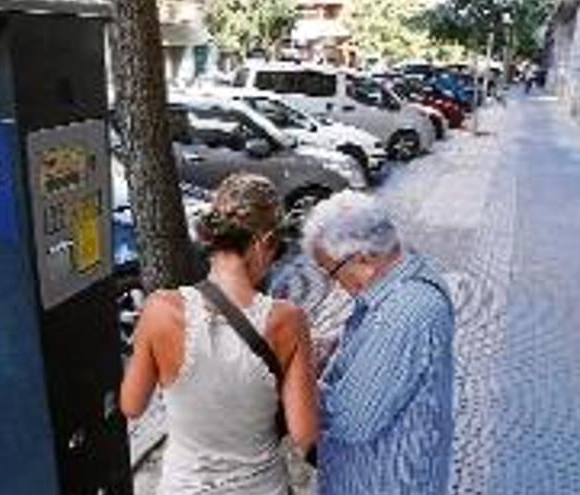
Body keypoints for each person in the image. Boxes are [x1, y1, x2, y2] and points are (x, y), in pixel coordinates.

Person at [120, 173, 319, 495]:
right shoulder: (288, 321)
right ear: (265, 242)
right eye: (278, 248)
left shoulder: (159, 309)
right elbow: (304, 433)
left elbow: (131, 405)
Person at [301, 191, 455, 495]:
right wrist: (339, 346)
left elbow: (350, 420)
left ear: (362, 258)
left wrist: (298, 371)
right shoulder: (405, 272)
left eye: (332, 272)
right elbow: (391, 356)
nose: (335, 284)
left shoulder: (403, 311)